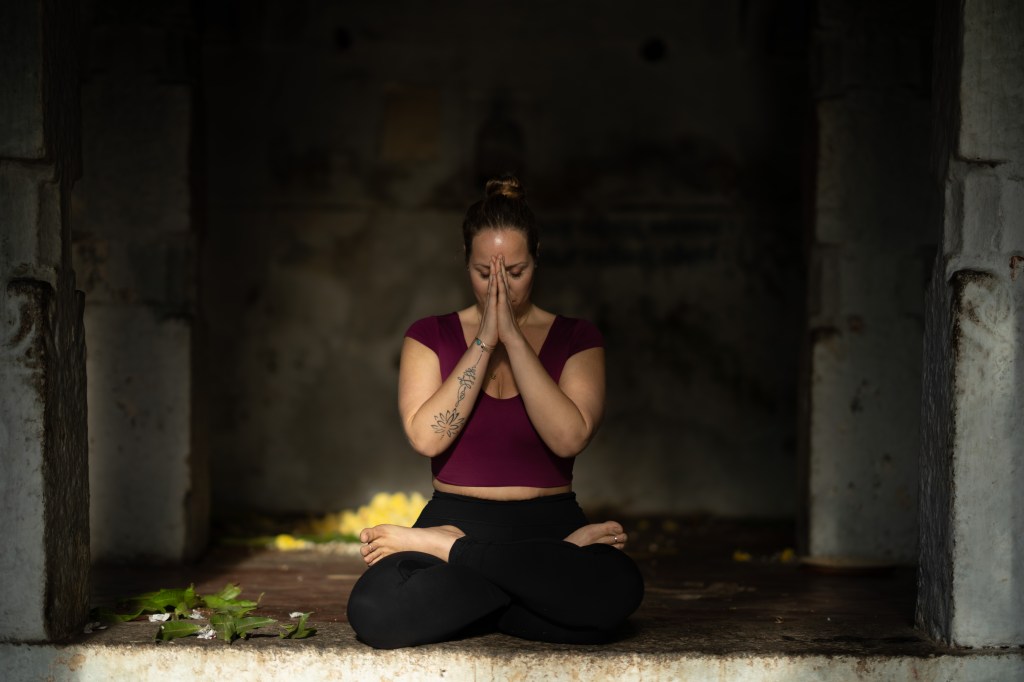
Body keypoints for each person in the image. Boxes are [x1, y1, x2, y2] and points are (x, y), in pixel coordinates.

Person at [346, 175, 644, 649]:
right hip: (458, 516)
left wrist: (515, 338)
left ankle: (461, 566)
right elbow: (427, 438)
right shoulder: (430, 335)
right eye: (485, 273)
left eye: (516, 272)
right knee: (374, 609)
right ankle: (533, 581)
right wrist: (485, 339)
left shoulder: (578, 338)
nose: (499, 286)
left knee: (618, 587)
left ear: (537, 259)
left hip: (548, 523)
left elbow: (568, 439)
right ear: (466, 263)